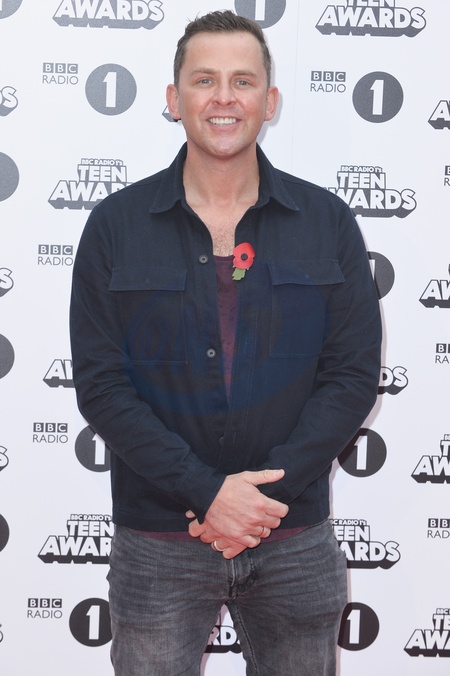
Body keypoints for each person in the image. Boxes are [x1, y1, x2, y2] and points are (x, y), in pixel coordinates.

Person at [70, 10, 381, 675]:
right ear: (173, 97)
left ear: (270, 101)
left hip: (293, 537)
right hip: (160, 542)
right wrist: (207, 492)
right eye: (204, 79)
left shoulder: (327, 221)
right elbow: (101, 384)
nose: (224, 98)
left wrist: (262, 501)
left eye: (243, 81)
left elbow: (352, 375)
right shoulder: (115, 226)